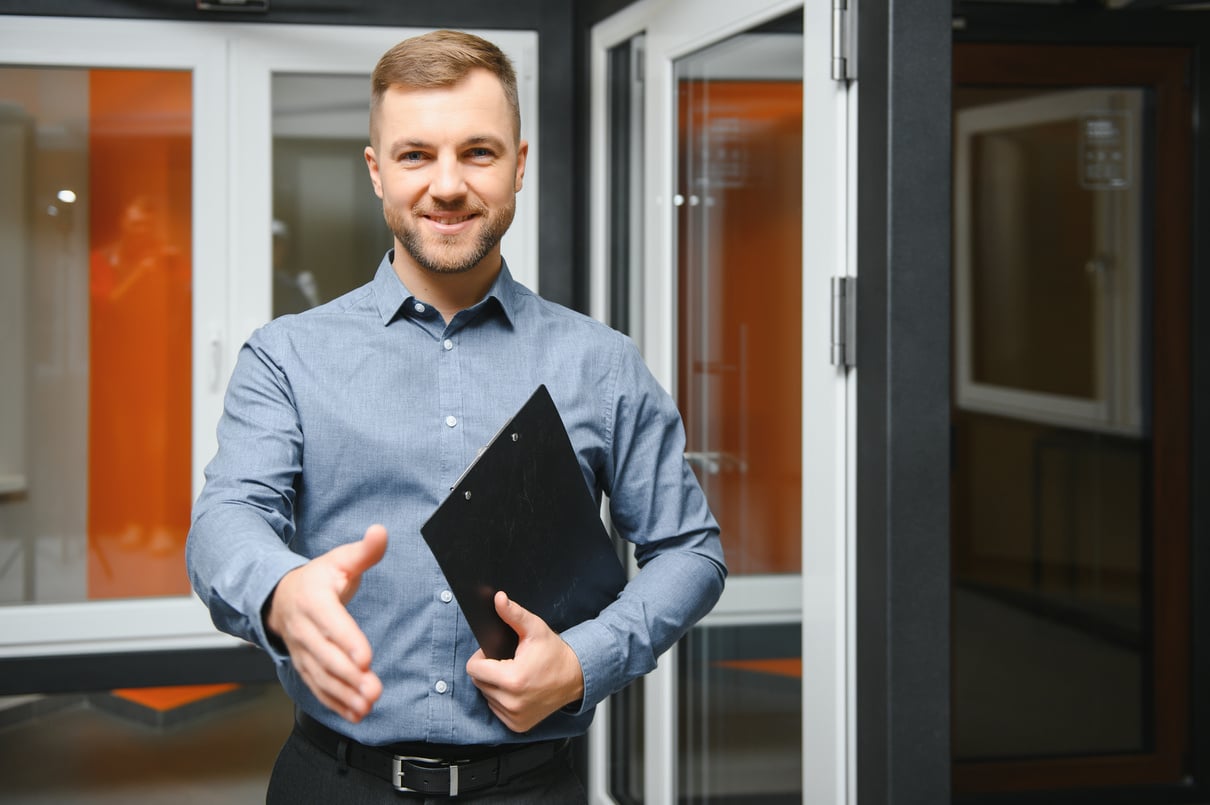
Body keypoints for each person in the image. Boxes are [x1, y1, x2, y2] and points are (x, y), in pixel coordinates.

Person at [186, 29, 725, 803]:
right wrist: (279, 590)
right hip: (333, 781)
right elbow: (226, 516)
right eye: (415, 155)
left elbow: (691, 551)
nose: (447, 185)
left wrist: (586, 660)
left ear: (520, 164)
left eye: (478, 152)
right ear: (377, 172)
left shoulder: (600, 363)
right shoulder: (285, 356)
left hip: (533, 786)